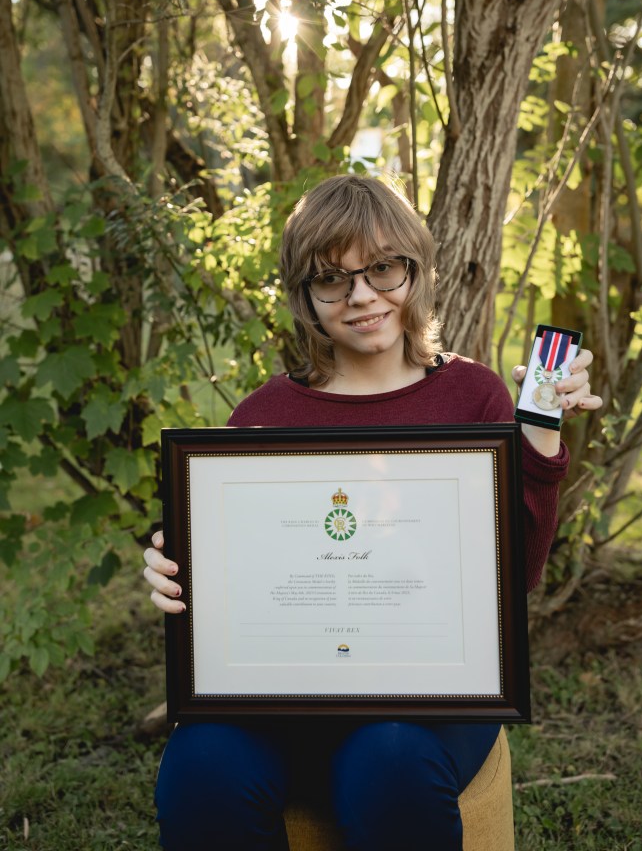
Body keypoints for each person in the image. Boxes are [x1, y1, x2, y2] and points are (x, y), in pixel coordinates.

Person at [143, 174, 602, 851]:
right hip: (291, 691)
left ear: (413, 268)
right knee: (200, 762)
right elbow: (234, 579)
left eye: (382, 268)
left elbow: (519, 576)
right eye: (332, 279)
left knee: (386, 758)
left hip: (432, 696)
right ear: (305, 296)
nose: (362, 296)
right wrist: (174, 571)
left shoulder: (472, 396)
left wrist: (538, 439)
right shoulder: (263, 417)